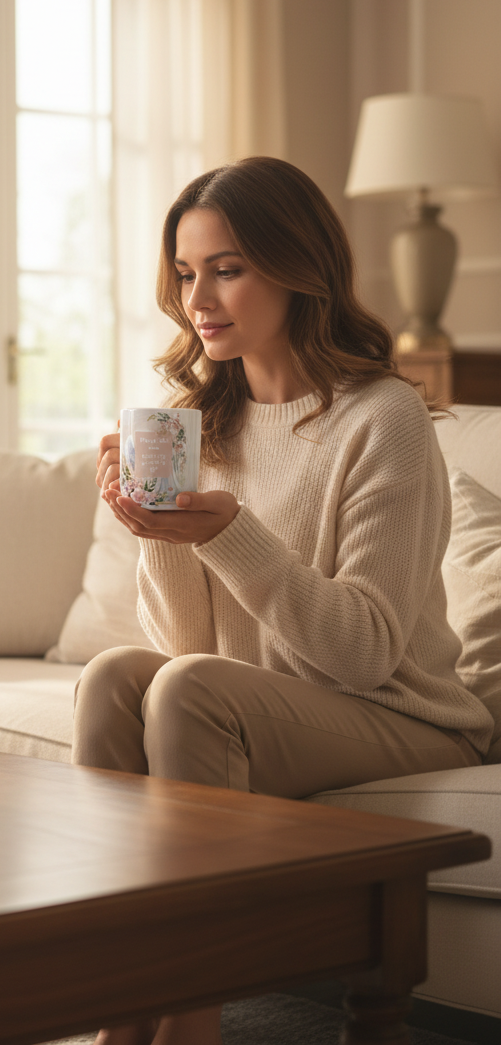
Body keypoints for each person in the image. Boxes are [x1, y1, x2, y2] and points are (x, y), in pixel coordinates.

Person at [72, 157, 493, 1045]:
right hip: (266, 703)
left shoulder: (383, 419)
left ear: (299, 268)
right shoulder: (198, 420)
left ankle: (190, 1020)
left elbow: (364, 653)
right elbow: (191, 642)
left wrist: (229, 533)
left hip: (404, 711)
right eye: (186, 274)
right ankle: (114, 1010)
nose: (199, 298)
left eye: (227, 268)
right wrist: (161, 533)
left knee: (189, 688)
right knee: (116, 675)